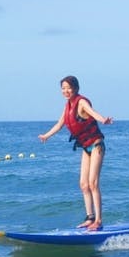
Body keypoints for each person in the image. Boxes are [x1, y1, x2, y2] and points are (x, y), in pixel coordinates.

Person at [39, 75, 113, 231]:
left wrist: (103, 120)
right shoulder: (67, 106)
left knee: (93, 183)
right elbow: (60, 124)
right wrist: (46, 135)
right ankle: (89, 217)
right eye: (63, 88)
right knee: (83, 184)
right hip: (85, 148)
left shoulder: (81, 102)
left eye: (68, 88)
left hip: (96, 145)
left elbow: (92, 113)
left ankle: (98, 221)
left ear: (76, 89)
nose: (66, 91)